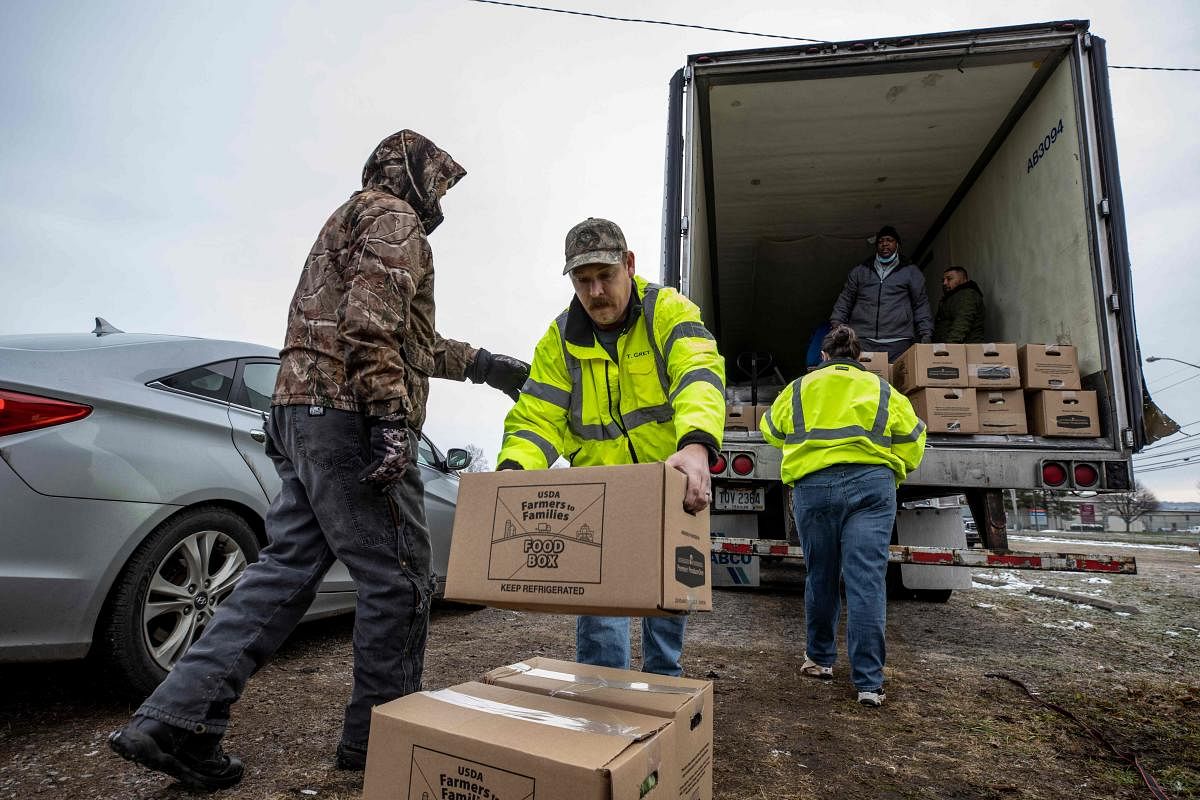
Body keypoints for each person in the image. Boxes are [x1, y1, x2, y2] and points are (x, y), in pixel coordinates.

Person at [108, 130, 530, 791]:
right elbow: (371, 324)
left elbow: (409, 338)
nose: (444, 196)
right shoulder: (394, 215)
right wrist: (391, 420)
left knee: (282, 574)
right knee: (399, 580)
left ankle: (175, 720)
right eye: (440, 181)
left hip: (299, 413)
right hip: (348, 417)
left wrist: (484, 366)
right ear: (414, 174)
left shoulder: (354, 218)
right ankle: (380, 742)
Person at [497, 217, 725, 676]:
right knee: (600, 617)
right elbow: (538, 416)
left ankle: (664, 699)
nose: (596, 291)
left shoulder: (668, 311)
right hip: (599, 501)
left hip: (668, 485)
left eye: (605, 276)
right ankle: (602, 705)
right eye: (583, 281)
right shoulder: (559, 340)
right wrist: (510, 475)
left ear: (630, 265)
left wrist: (697, 445)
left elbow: (698, 374)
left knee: (668, 605)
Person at [759, 324, 925, 707]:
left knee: (821, 575)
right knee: (866, 581)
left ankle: (819, 660)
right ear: (858, 357)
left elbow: (770, 428)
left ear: (823, 356)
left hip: (814, 489)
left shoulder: (800, 388)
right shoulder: (883, 390)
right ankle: (868, 684)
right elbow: (915, 442)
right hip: (871, 487)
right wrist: (893, 464)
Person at [830, 225, 933, 362]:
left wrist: (926, 333)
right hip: (863, 338)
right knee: (863, 381)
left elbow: (920, 303)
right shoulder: (860, 271)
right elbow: (845, 299)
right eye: (881, 241)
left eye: (889, 240)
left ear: (898, 244)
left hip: (898, 340)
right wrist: (837, 323)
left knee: (896, 382)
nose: (885, 244)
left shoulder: (911, 271)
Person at [932, 265, 985, 343]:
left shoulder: (967, 295)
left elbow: (962, 323)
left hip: (964, 350)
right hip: (956, 349)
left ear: (963, 279)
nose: (944, 283)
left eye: (949, 279)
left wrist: (949, 347)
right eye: (943, 280)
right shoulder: (953, 297)